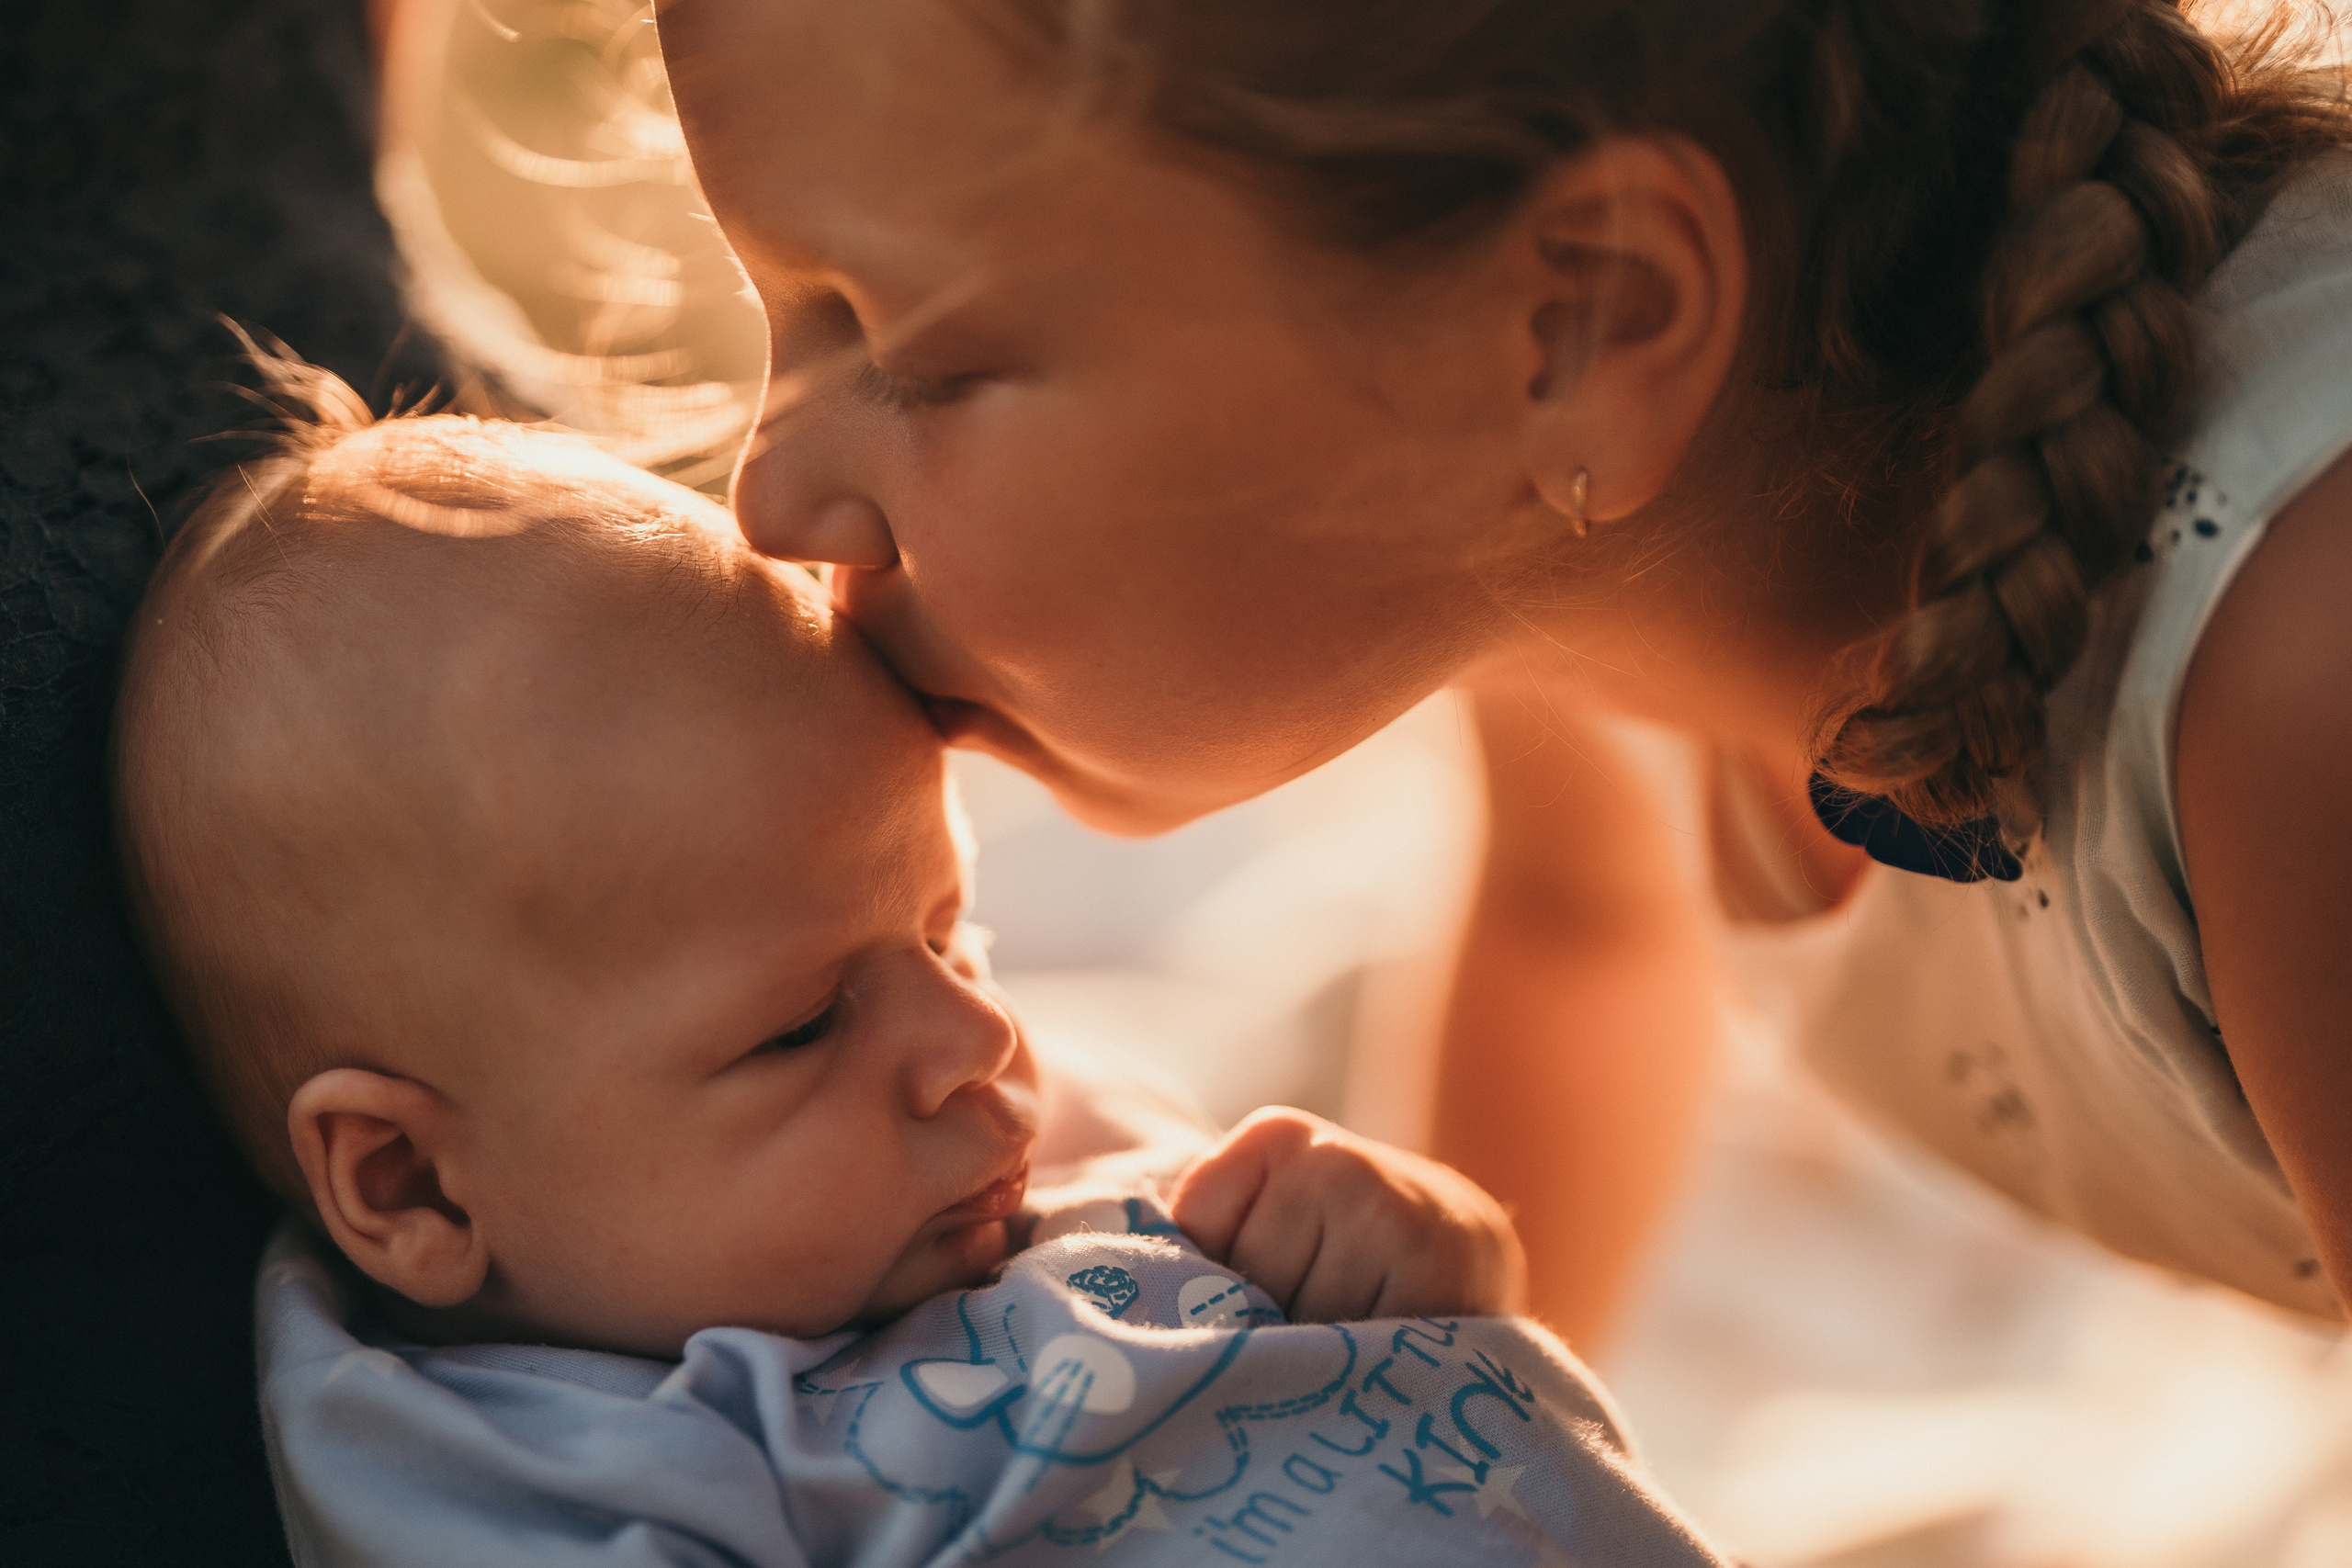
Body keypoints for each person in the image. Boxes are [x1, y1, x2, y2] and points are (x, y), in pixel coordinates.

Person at [649, 0, 2352, 1348]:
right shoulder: (1574, 534)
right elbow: (1578, 930)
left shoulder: (2296, 654)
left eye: (918, 354)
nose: (766, 499)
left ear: (1583, 324)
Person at [110, 380, 1734, 1563]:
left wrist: (1413, 1252)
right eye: (806, 1022)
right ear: (414, 1183)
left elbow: (1442, 1371)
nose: (976, 1033)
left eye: (950, 933)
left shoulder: (1024, 1133)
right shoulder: (531, 1463)